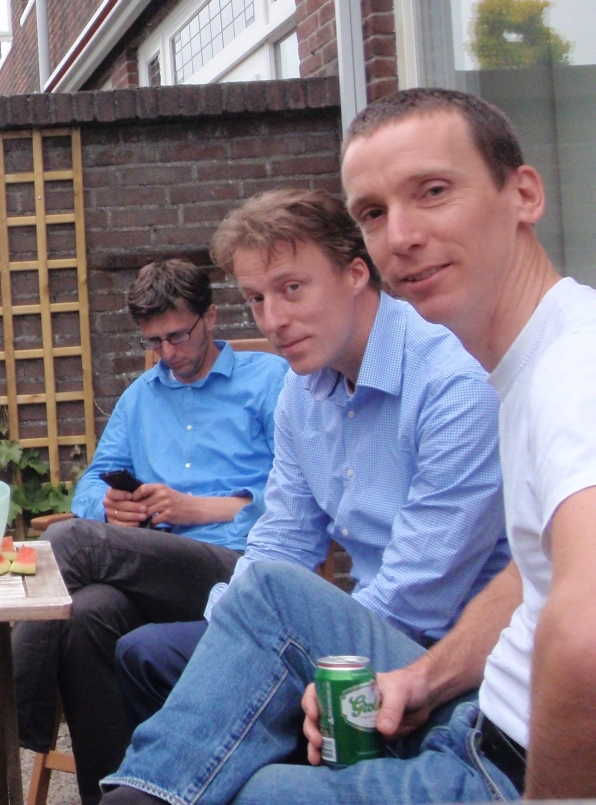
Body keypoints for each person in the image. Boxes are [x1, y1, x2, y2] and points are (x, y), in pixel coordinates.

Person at [101, 88, 585, 804]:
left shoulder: (522, 375)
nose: (402, 235)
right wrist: (241, 633)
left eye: (433, 191)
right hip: (446, 687)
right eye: (374, 213)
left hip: (449, 672)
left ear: (523, 194)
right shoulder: (325, 388)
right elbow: (531, 576)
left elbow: (473, 606)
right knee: (134, 632)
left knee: (180, 620)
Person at [110, 188, 510, 731]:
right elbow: (284, 538)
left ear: (355, 274)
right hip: (357, 619)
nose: (272, 320)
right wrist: (231, 627)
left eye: (291, 289)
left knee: (177, 661)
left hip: (443, 659)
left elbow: (416, 593)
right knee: (146, 654)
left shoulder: (452, 385)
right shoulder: (303, 391)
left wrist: (264, 650)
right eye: (256, 299)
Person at [0, 259, 288, 803]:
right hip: (152, 571)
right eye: (153, 342)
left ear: (210, 317)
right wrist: (111, 510)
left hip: (238, 568)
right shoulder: (140, 397)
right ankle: (108, 797)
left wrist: (198, 508)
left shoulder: (269, 381)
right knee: (88, 614)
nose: (167, 353)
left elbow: (301, 495)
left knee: (66, 542)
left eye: (178, 336)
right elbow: (90, 486)